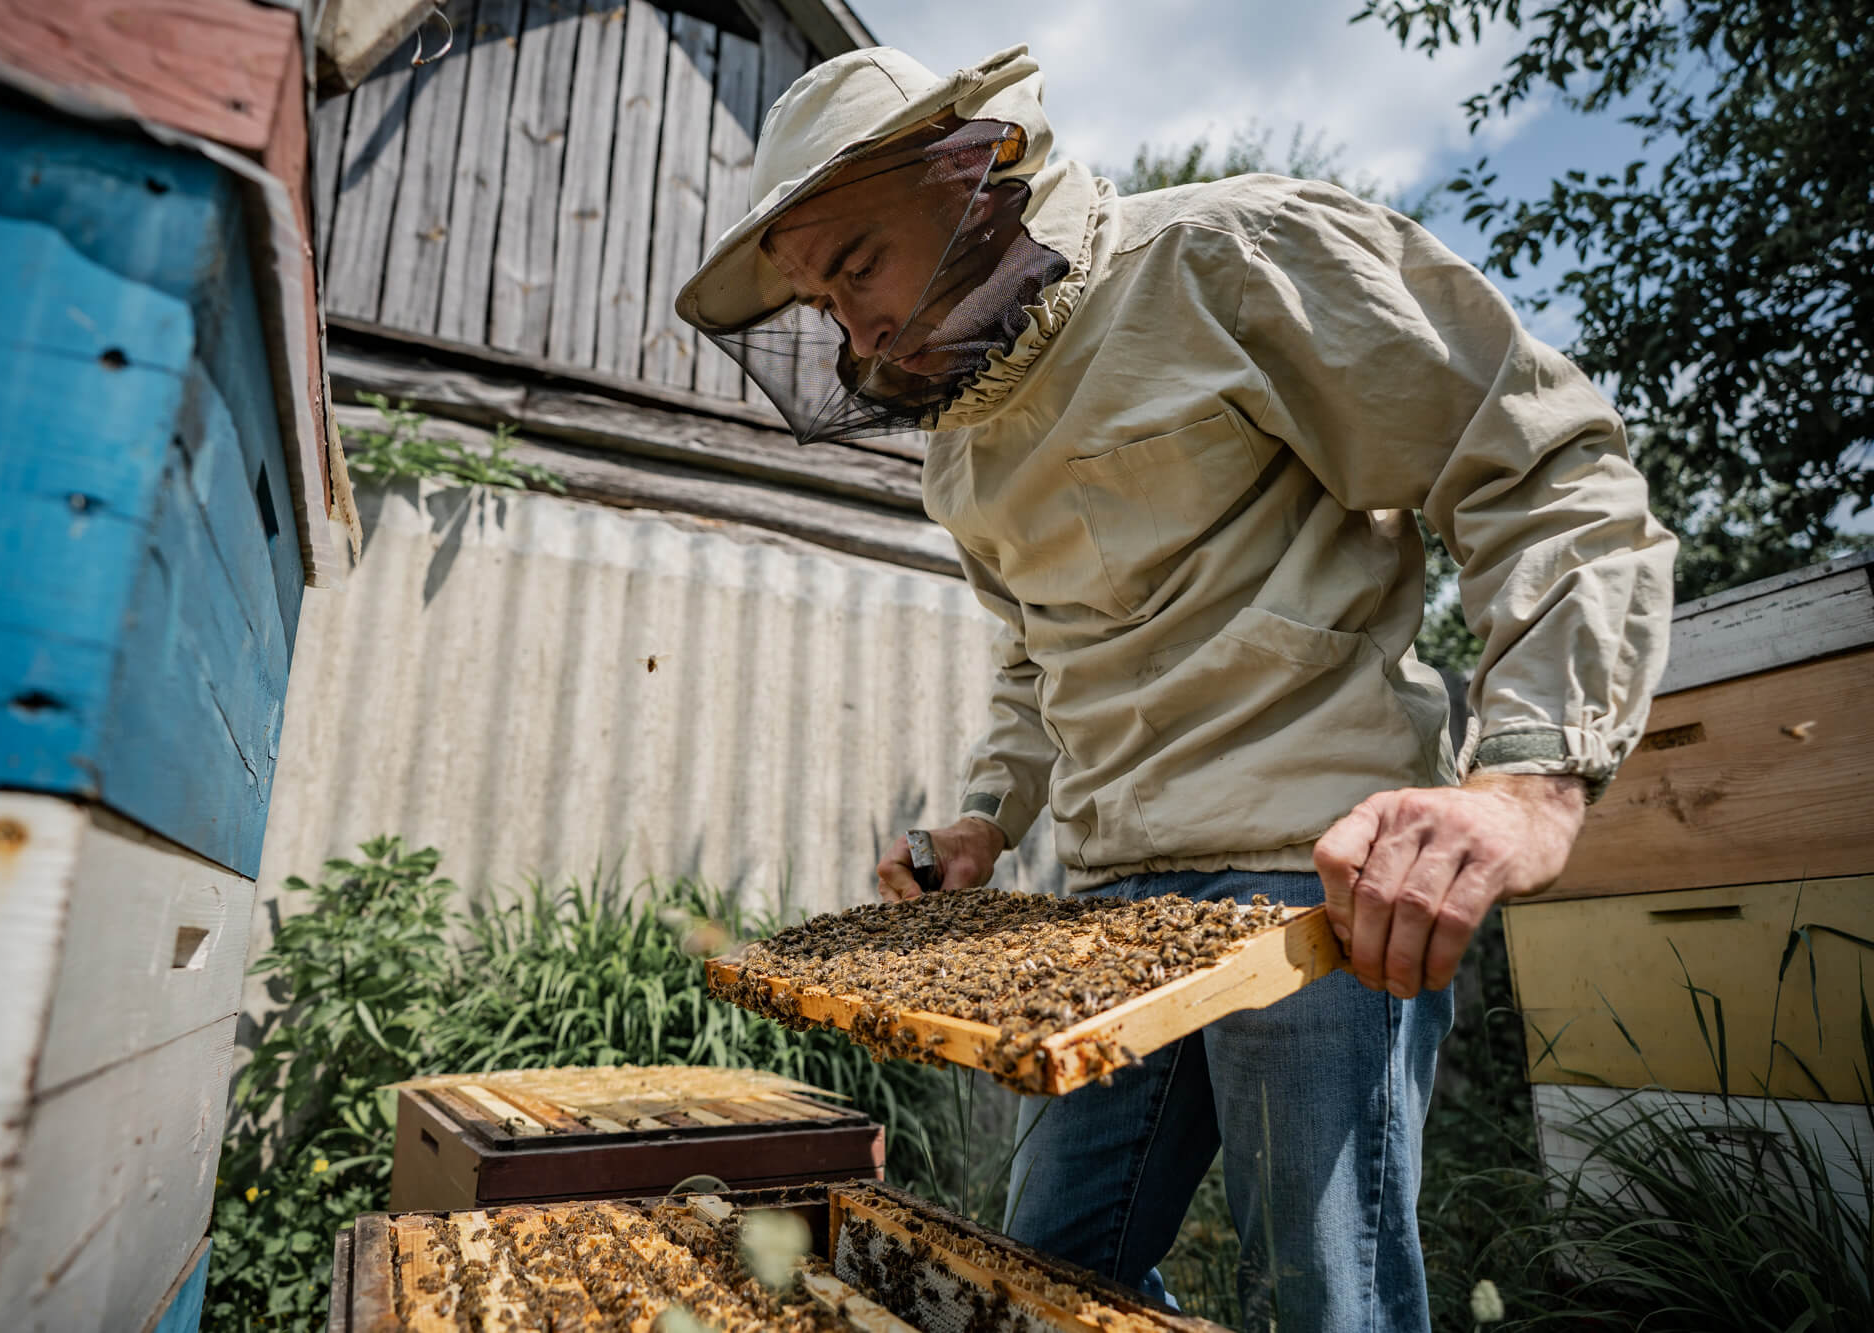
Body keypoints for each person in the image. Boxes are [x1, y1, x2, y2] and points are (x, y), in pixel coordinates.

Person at [674, 44, 1675, 1333]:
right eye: (820, 301)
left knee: (1324, 1294)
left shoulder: (1230, 258)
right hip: (1107, 907)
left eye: (856, 263)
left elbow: (1542, 469)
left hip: (1313, 880)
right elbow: (1038, 656)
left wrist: (1529, 782)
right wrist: (988, 814)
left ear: (976, 169)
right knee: (1043, 1269)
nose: (850, 329)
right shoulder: (961, 453)